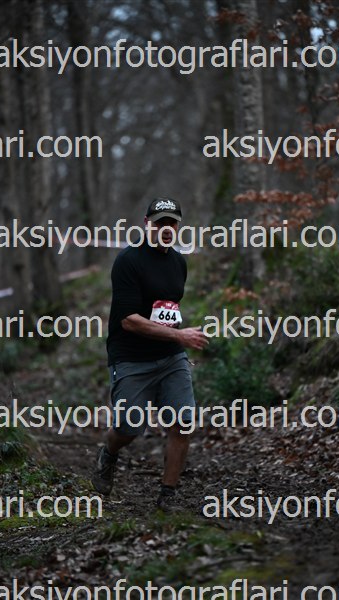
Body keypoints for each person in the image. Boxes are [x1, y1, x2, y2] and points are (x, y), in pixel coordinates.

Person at [92, 197, 208, 512]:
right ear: (147, 224)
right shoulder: (128, 261)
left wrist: (178, 344)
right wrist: (180, 336)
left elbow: (167, 310)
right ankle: (109, 453)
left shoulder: (179, 263)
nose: (166, 229)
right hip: (131, 357)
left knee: (182, 424)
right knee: (128, 428)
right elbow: (129, 320)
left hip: (171, 356)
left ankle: (167, 498)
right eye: (160, 223)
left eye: (172, 223)